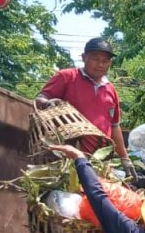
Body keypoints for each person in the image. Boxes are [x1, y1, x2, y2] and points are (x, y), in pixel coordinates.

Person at [36, 37, 130, 168]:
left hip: (99, 161)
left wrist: (125, 158)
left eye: (105, 61)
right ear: (84, 57)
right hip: (67, 159)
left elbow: (114, 126)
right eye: (95, 59)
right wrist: (48, 103)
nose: (100, 64)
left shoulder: (110, 89)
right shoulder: (67, 76)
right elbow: (40, 99)